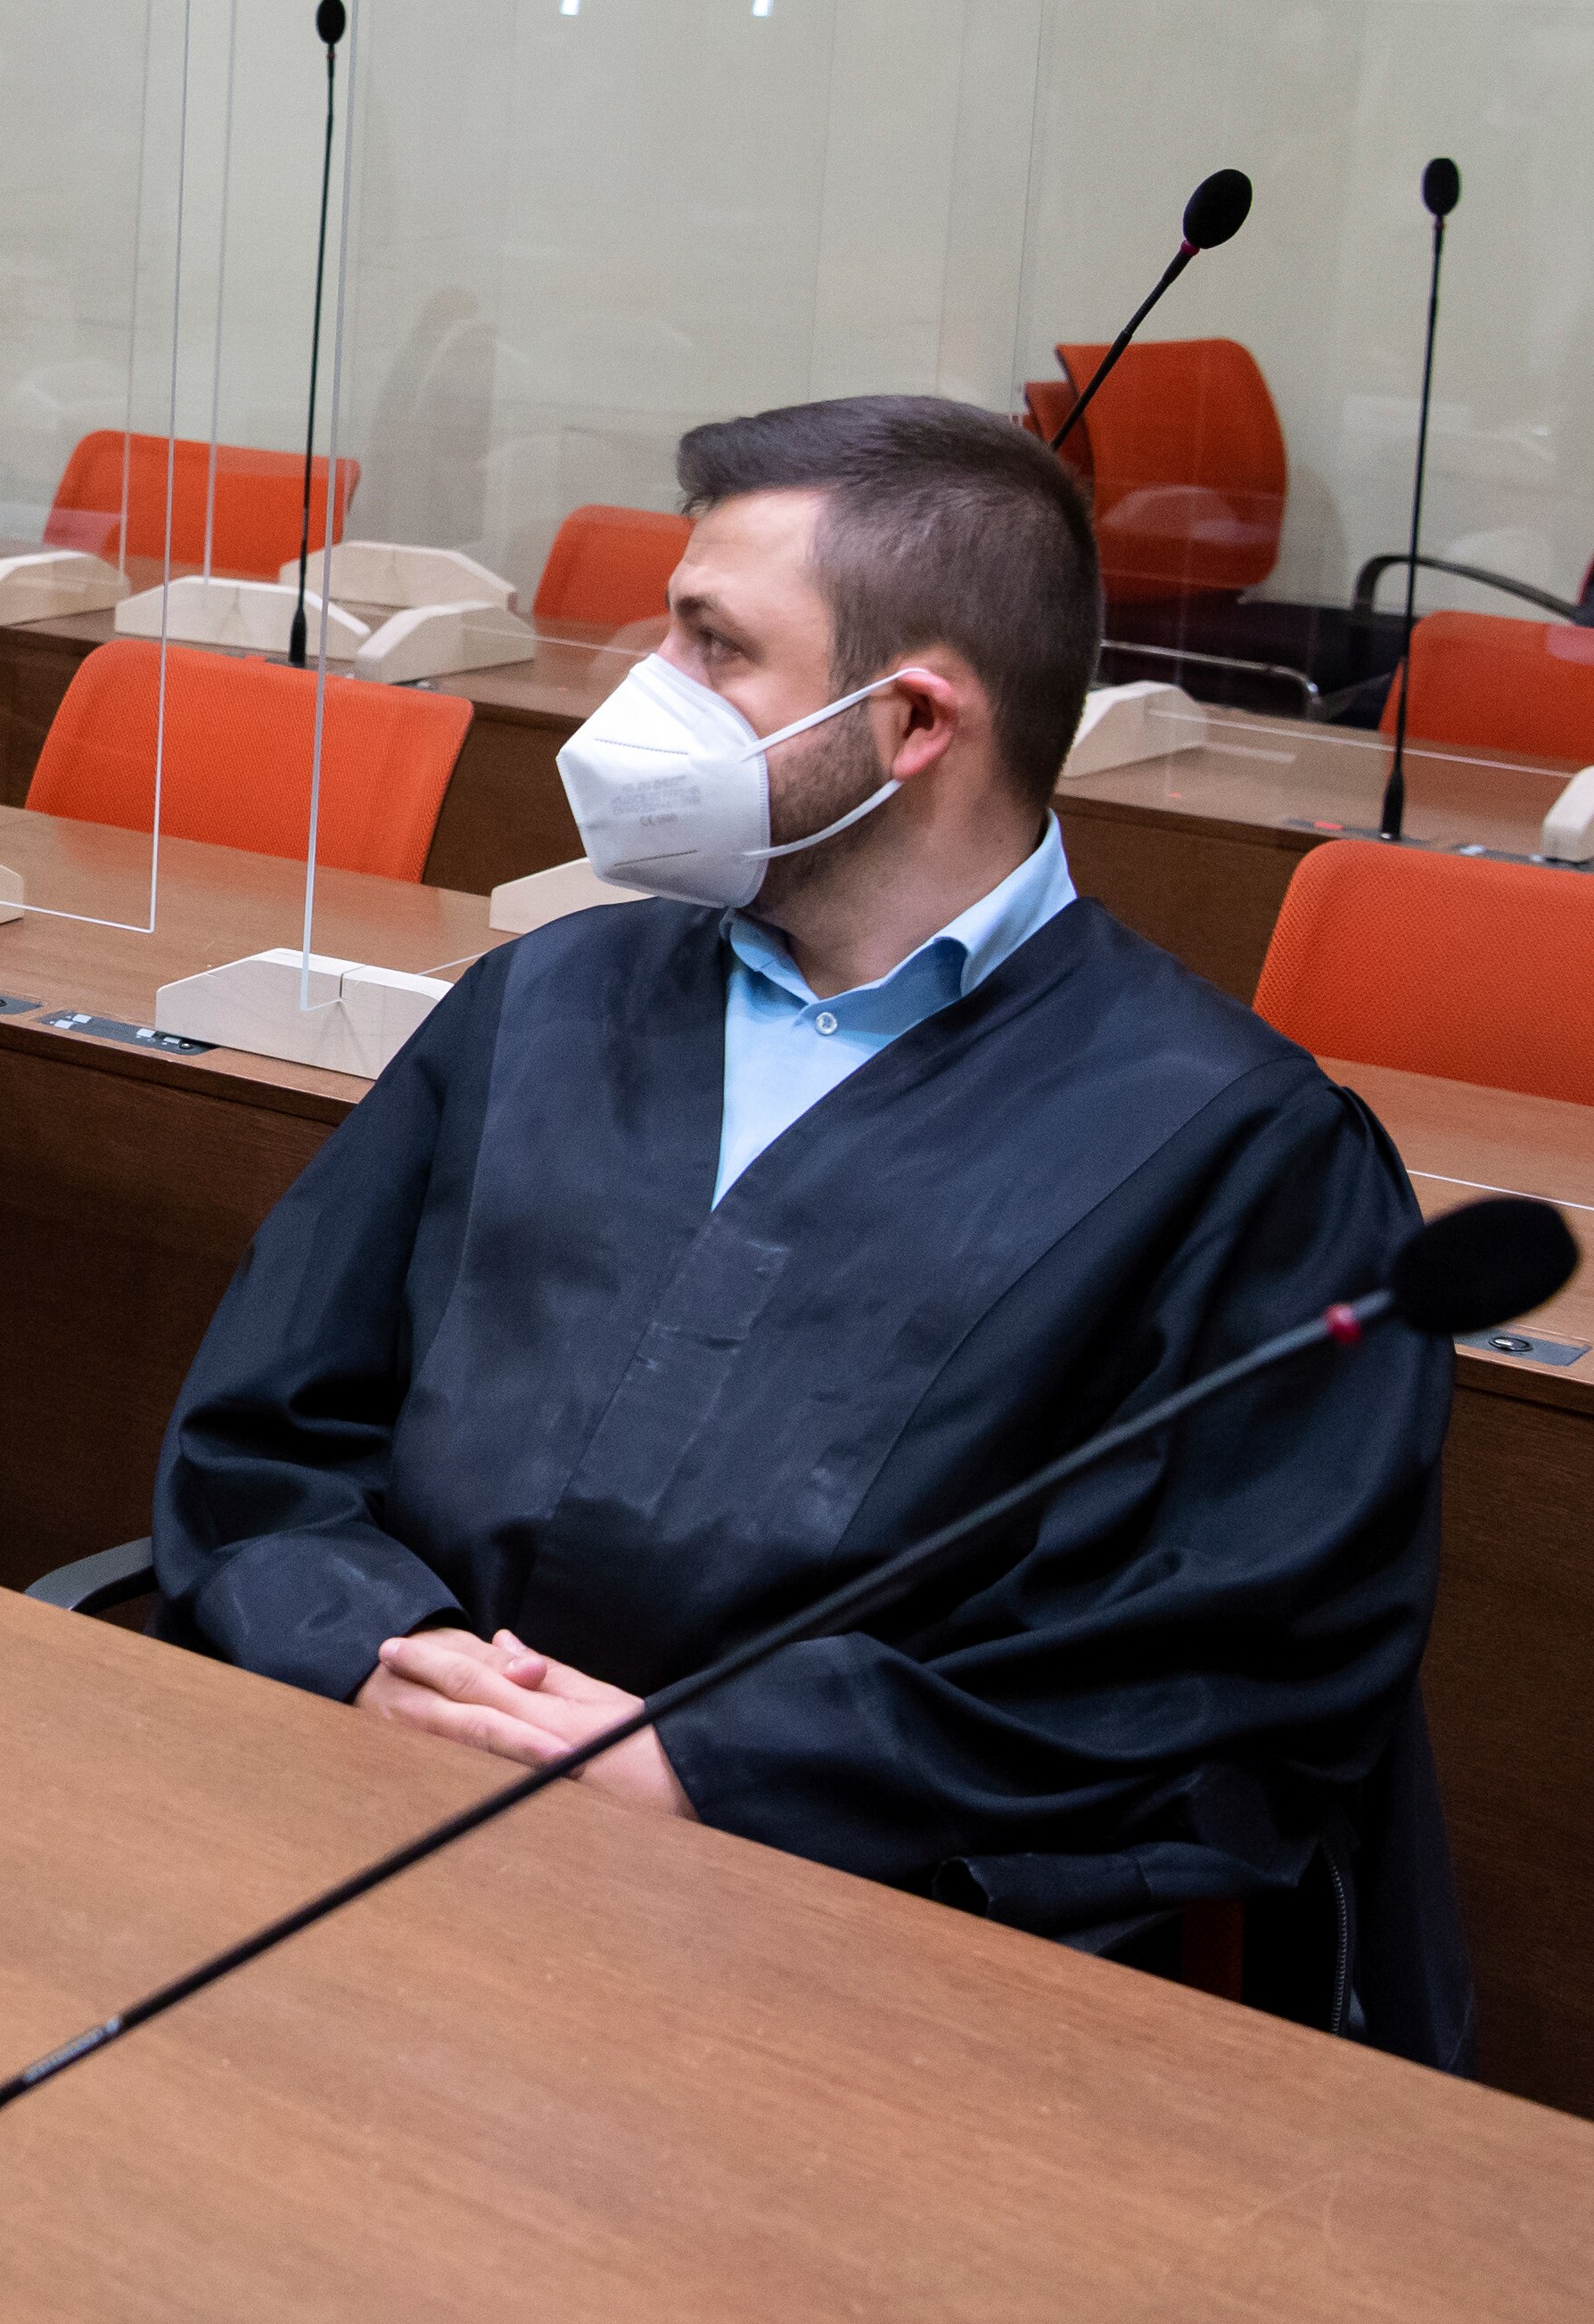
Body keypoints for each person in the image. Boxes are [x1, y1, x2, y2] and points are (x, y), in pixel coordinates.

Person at [150, 395, 1467, 2063]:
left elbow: (1206, 1674)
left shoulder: (1238, 1151)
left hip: (855, 1971)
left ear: (913, 719)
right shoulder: (545, 1000)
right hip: (354, 1838)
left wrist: (706, 1761)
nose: (643, 696)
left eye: (714, 647)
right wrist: (373, 1642)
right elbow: (270, 1421)